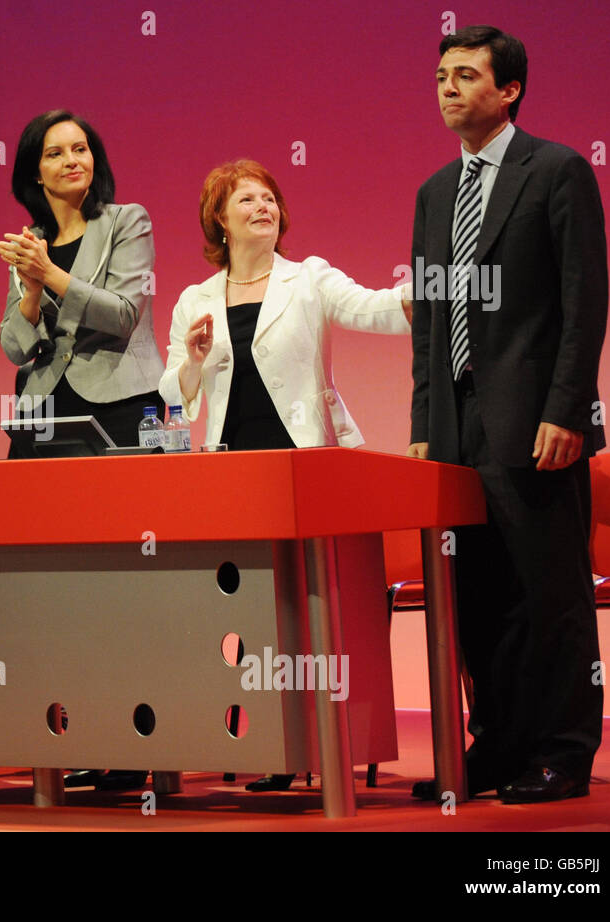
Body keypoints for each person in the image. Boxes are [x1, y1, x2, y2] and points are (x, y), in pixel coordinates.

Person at [159, 159, 411, 792]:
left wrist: (427, 287)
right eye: (247, 200)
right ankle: (275, 748)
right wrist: (190, 363)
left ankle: (328, 744)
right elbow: (172, 395)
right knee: (254, 613)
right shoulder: (195, 299)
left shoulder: (310, 279)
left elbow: (378, 310)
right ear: (220, 217)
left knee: (314, 608)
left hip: (307, 464)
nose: (263, 207)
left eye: (270, 198)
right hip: (234, 468)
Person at [408, 26, 606, 804]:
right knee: (479, 595)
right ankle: (495, 745)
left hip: (537, 422)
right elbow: (429, 318)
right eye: (441, 77)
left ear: (510, 89)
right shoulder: (432, 193)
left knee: (550, 592)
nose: (448, 88)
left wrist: (568, 409)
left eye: (465, 75)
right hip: (457, 429)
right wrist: (425, 422)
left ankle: (561, 751)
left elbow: (583, 300)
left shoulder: (555, 170)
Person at [0, 110, 164, 453]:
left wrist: (49, 274)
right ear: (37, 174)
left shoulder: (127, 221)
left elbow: (123, 316)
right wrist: (31, 294)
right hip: (45, 405)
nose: (72, 161)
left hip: (120, 401)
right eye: (55, 154)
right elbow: (16, 349)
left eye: (80, 150)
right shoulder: (32, 242)